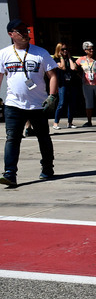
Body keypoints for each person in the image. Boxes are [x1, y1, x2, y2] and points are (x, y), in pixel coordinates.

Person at [1, 19, 59, 187]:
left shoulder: (40, 53)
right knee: (12, 138)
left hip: (38, 104)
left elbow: (53, 76)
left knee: (43, 138)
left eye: (26, 30)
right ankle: (10, 173)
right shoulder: (4, 54)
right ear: (11, 34)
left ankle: (47, 168)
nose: (25, 33)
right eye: (20, 31)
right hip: (13, 105)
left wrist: (52, 96)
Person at [52, 43, 79, 130]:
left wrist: (70, 58)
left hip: (71, 83)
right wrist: (60, 57)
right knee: (61, 103)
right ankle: (56, 123)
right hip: (62, 84)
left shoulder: (70, 59)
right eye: (63, 49)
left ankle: (70, 122)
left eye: (66, 49)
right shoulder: (56, 59)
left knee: (71, 104)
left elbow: (73, 68)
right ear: (59, 50)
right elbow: (62, 67)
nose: (65, 51)